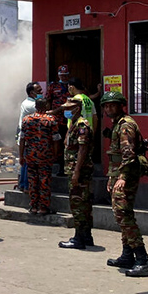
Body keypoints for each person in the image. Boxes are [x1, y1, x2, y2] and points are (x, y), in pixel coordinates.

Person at [101, 91, 148, 276]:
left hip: (127, 175)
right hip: (119, 174)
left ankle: (143, 259)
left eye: (112, 105)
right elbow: (116, 155)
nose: (109, 108)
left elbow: (128, 153)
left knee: (123, 214)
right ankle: (127, 255)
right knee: (121, 214)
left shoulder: (125, 125)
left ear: (120, 105)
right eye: (106, 106)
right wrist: (112, 176)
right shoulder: (117, 124)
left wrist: (122, 177)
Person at [58, 97, 95, 249]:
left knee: (78, 203)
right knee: (83, 204)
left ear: (77, 109)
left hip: (79, 171)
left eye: (68, 108)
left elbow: (82, 149)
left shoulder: (81, 125)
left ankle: (78, 238)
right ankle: (86, 236)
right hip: (76, 170)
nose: (65, 111)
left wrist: (76, 172)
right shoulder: (73, 124)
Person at [19, 98, 59, 215]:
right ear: (46, 105)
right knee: (44, 181)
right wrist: (56, 154)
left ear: (36, 106)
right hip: (45, 156)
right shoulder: (51, 120)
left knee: (32, 181)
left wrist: (21, 155)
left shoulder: (26, 120)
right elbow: (56, 139)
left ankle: (33, 206)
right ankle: (43, 207)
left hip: (30, 155)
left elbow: (22, 139)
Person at [16, 81, 42, 192]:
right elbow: (44, 112)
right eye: (39, 90)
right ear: (32, 92)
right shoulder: (31, 105)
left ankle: (22, 184)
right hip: (27, 136)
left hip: (25, 134)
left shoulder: (27, 102)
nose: (41, 92)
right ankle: (26, 186)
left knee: (25, 162)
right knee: (28, 162)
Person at [46, 65, 71, 175]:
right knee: (59, 144)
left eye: (65, 75)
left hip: (71, 119)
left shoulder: (72, 85)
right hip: (58, 120)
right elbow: (47, 101)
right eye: (61, 75)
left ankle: (69, 167)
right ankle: (61, 168)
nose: (64, 77)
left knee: (70, 144)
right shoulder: (53, 86)